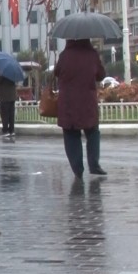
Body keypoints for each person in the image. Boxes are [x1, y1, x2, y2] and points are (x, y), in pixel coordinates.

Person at [54, 39, 107, 179]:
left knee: (71, 135)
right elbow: (101, 75)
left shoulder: (65, 56)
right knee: (93, 132)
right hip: (87, 102)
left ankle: (78, 169)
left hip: (68, 103)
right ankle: (94, 165)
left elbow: (57, 72)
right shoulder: (92, 54)